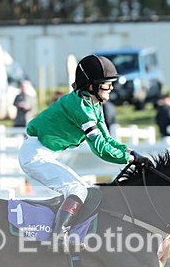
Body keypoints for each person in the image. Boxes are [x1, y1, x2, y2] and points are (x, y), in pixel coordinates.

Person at [18, 54, 148, 246]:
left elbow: (106, 138)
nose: (111, 87)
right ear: (90, 85)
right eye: (106, 83)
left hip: (45, 153)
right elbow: (100, 150)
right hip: (35, 155)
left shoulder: (93, 104)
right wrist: (129, 159)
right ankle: (58, 236)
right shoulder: (80, 107)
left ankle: (70, 231)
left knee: (85, 191)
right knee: (77, 190)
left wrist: (130, 152)